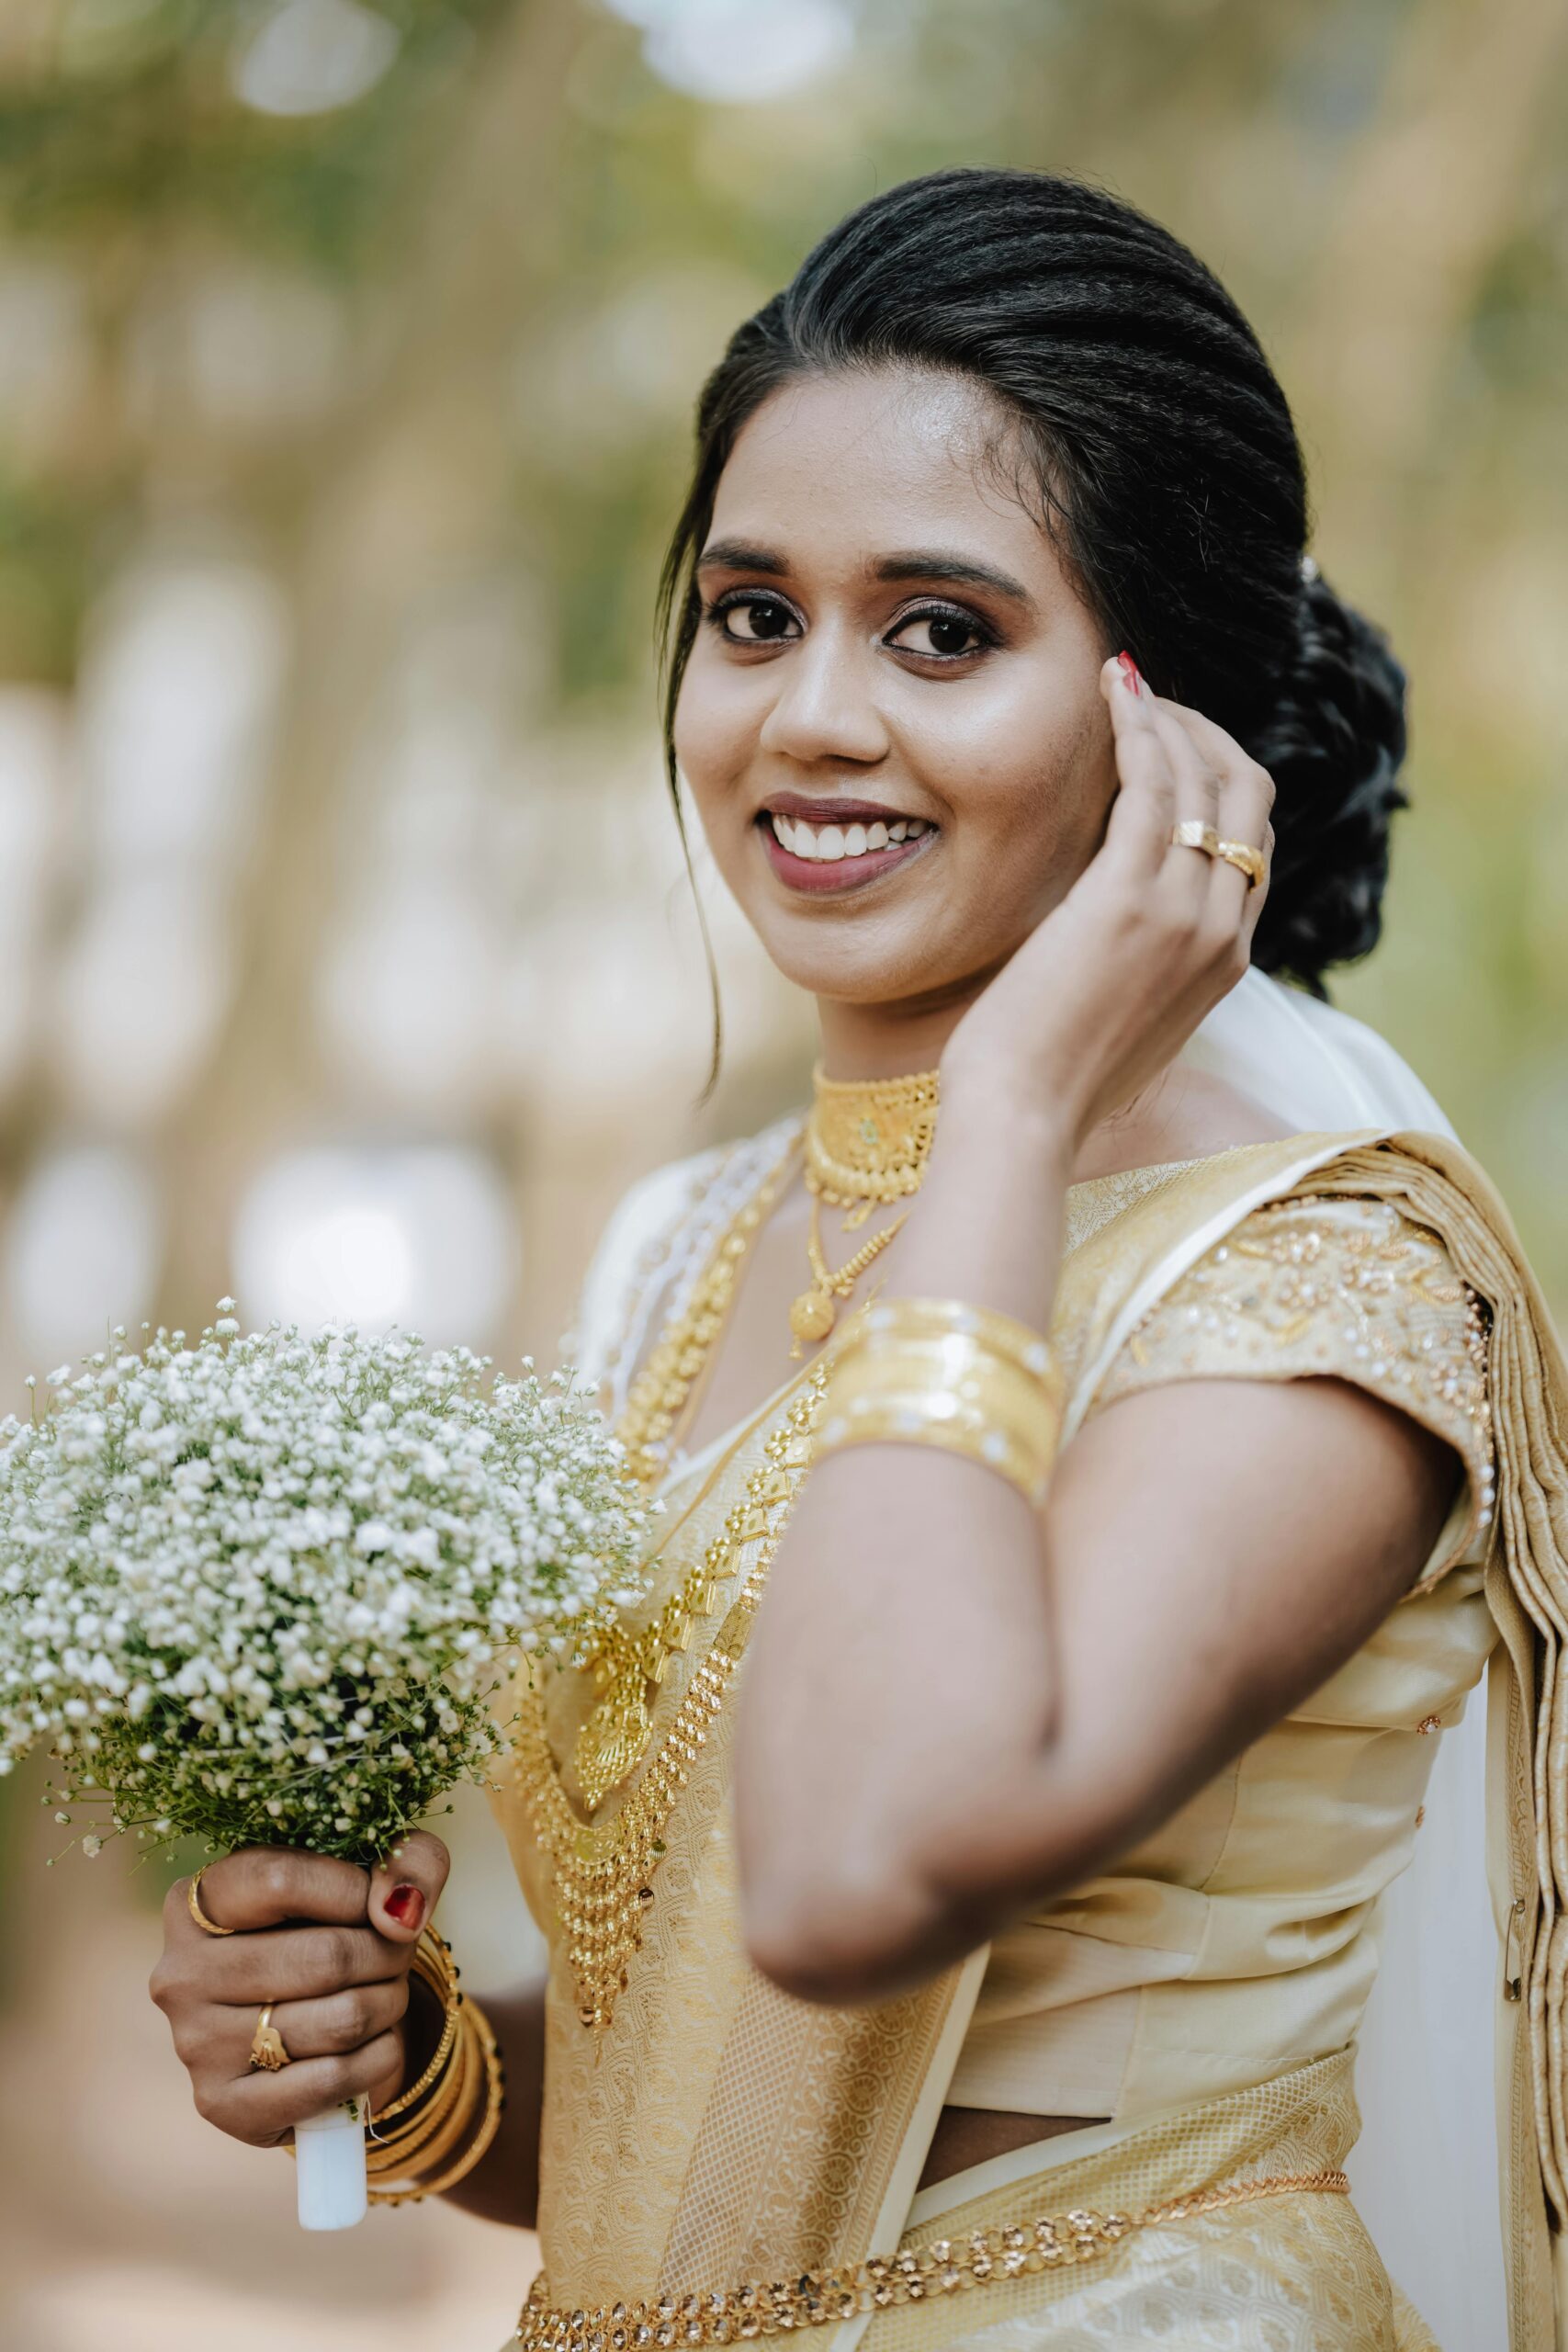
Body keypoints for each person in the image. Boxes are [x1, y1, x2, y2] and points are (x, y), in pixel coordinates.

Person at [147, 168, 1568, 2350]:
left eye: (940, 629)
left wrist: (1004, 1103)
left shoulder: (1322, 1297)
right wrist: (414, 2058)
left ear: (1171, 711)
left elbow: (847, 1877)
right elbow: (704, 2128)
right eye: (747, 613)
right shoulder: (689, 1246)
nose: (807, 715)